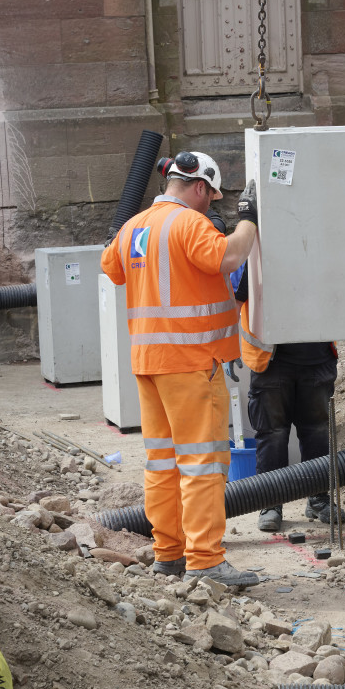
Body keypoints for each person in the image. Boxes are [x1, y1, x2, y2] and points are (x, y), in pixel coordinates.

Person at [101, 150, 261, 587]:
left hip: (149, 365)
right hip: (191, 364)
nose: (211, 204)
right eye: (212, 196)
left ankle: (168, 554)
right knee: (202, 465)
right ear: (198, 187)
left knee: (163, 465)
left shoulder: (134, 226)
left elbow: (110, 266)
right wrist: (249, 219)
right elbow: (229, 258)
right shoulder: (190, 222)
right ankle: (207, 560)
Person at [227, 264, 345, 532]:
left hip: (317, 357)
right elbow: (235, 299)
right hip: (271, 361)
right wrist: (227, 344)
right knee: (273, 433)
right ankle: (270, 501)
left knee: (317, 431)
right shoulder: (256, 249)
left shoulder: (323, 247)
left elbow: (344, 289)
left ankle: (318, 498)